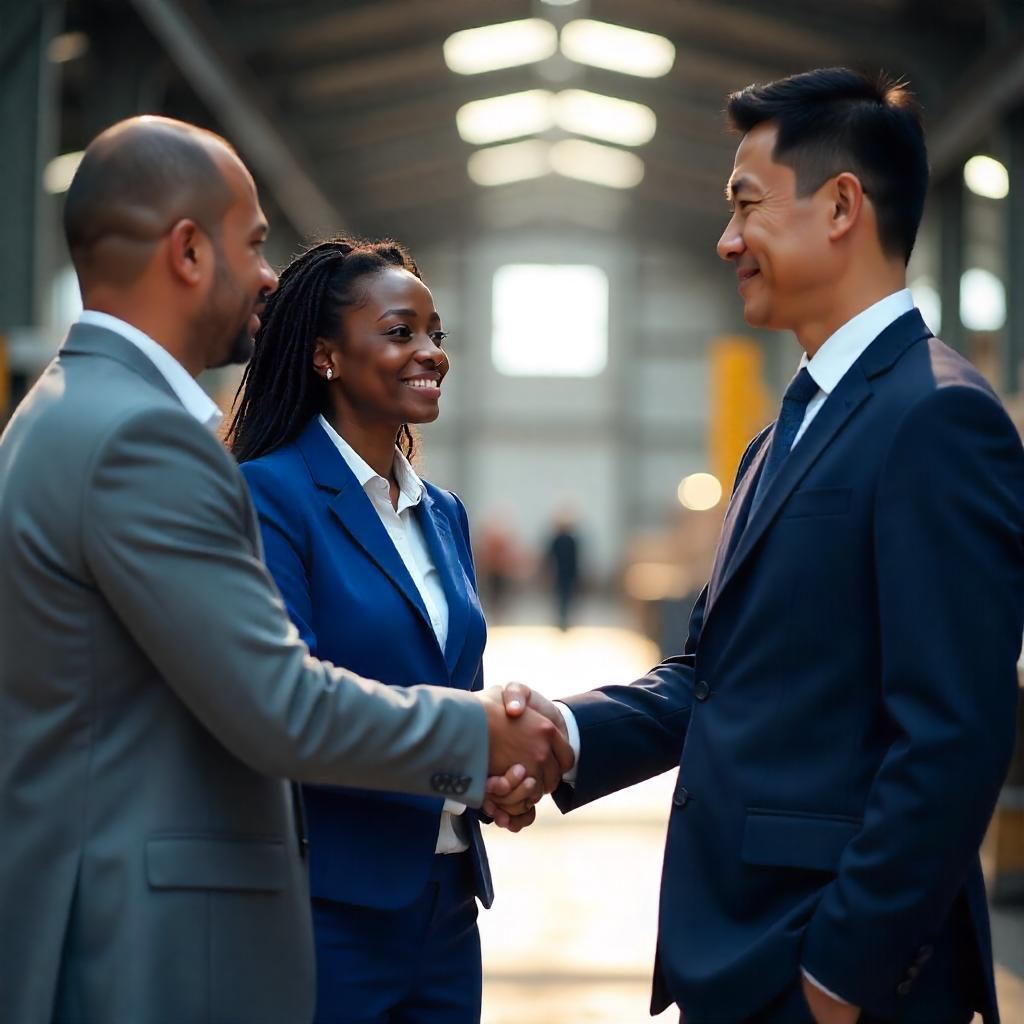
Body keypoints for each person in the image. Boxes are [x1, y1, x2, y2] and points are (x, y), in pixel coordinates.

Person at [0, 116, 571, 1024]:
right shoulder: (144, 440)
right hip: (145, 929)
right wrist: (478, 738)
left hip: (416, 897)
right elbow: (279, 703)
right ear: (189, 251)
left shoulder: (69, 410)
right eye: (254, 244)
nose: (269, 276)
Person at [487, 69, 1024, 1024]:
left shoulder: (937, 419)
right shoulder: (784, 435)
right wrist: (565, 734)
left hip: (835, 970)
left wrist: (838, 981)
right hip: (744, 951)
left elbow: (953, 736)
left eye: (747, 205)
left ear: (841, 207)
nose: (727, 239)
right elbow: (716, 674)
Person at [228, 237, 492, 1024]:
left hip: (447, 906)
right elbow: (287, 706)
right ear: (326, 357)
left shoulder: (443, 514)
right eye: (401, 332)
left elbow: (456, 687)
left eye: (435, 333)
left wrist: (494, 775)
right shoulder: (269, 497)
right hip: (330, 905)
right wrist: (472, 755)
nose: (431, 352)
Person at [544, 507, 581, 631]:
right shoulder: (560, 540)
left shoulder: (569, 540)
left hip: (566, 573)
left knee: (566, 596)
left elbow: (575, 558)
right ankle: (562, 617)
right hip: (561, 573)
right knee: (561, 596)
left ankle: (564, 617)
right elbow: (550, 557)